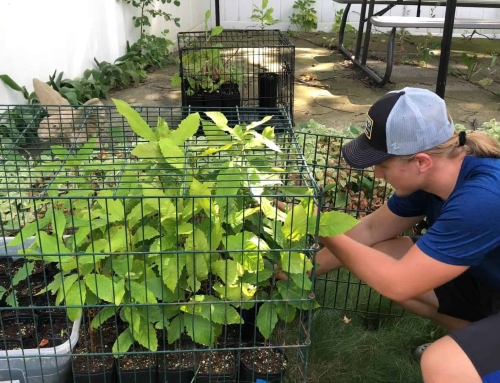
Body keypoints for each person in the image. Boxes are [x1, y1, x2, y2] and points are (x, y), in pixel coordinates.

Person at [283, 87, 500, 382]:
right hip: (489, 285)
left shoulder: (482, 198)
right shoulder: (432, 180)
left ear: (422, 161)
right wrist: (297, 272)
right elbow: (370, 231)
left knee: (443, 364)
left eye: (383, 164)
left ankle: (466, 359)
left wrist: (318, 226)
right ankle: (469, 341)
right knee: (384, 256)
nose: (377, 174)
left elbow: (399, 284)